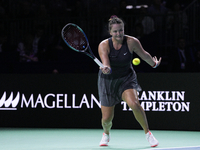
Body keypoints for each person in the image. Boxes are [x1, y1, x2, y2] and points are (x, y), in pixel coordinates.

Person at [97, 15, 161, 147]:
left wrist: (153, 64)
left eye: (120, 30)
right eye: (115, 31)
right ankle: (106, 133)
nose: (118, 33)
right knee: (107, 119)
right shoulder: (103, 45)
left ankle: (148, 133)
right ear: (110, 32)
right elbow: (106, 64)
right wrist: (106, 69)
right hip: (108, 81)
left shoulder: (132, 42)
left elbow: (144, 55)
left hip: (126, 78)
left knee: (134, 104)